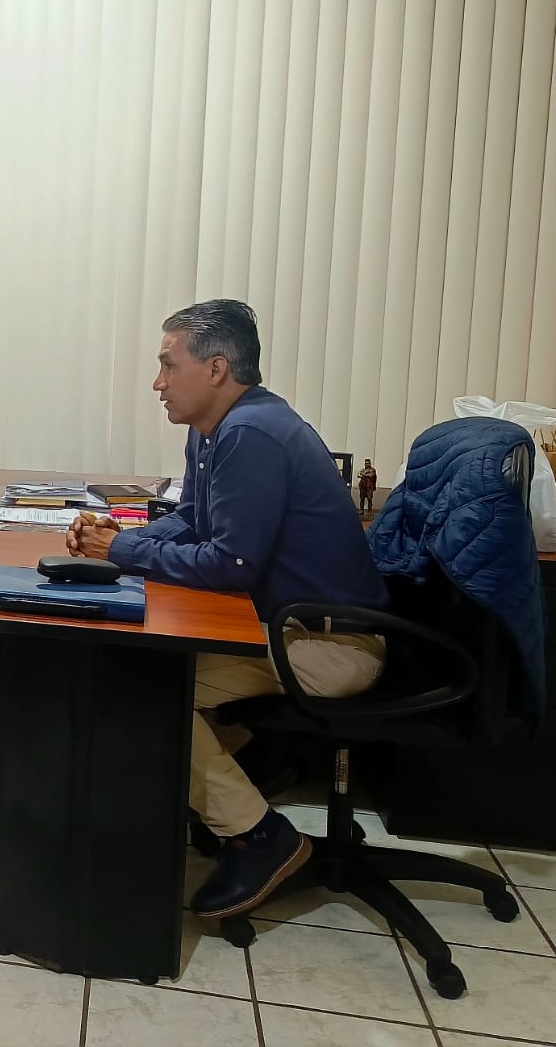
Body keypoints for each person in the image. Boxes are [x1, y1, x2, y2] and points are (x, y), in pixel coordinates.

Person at [66, 300, 387, 920]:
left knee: (139, 689)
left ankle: (261, 838)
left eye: (168, 365)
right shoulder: (215, 429)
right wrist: (123, 537)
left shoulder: (251, 435)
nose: (157, 382)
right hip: (288, 629)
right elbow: (194, 520)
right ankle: (241, 765)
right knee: (137, 667)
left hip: (333, 646)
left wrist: (122, 551)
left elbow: (230, 565)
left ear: (216, 369)